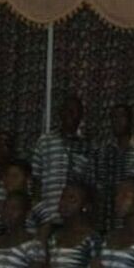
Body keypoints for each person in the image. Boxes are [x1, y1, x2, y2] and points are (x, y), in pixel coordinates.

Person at [31, 96, 92, 227]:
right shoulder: (44, 141)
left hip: (75, 220)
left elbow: (88, 185)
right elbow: (36, 181)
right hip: (47, 217)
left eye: (74, 111)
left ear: (81, 116)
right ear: (60, 113)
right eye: (67, 110)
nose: (69, 114)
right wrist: (41, 214)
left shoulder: (87, 146)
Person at [95, 104, 134, 232]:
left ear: (131, 120)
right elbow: (97, 186)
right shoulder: (103, 151)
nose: (117, 121)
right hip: (107, 220)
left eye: (121, 116)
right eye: (113, 117)